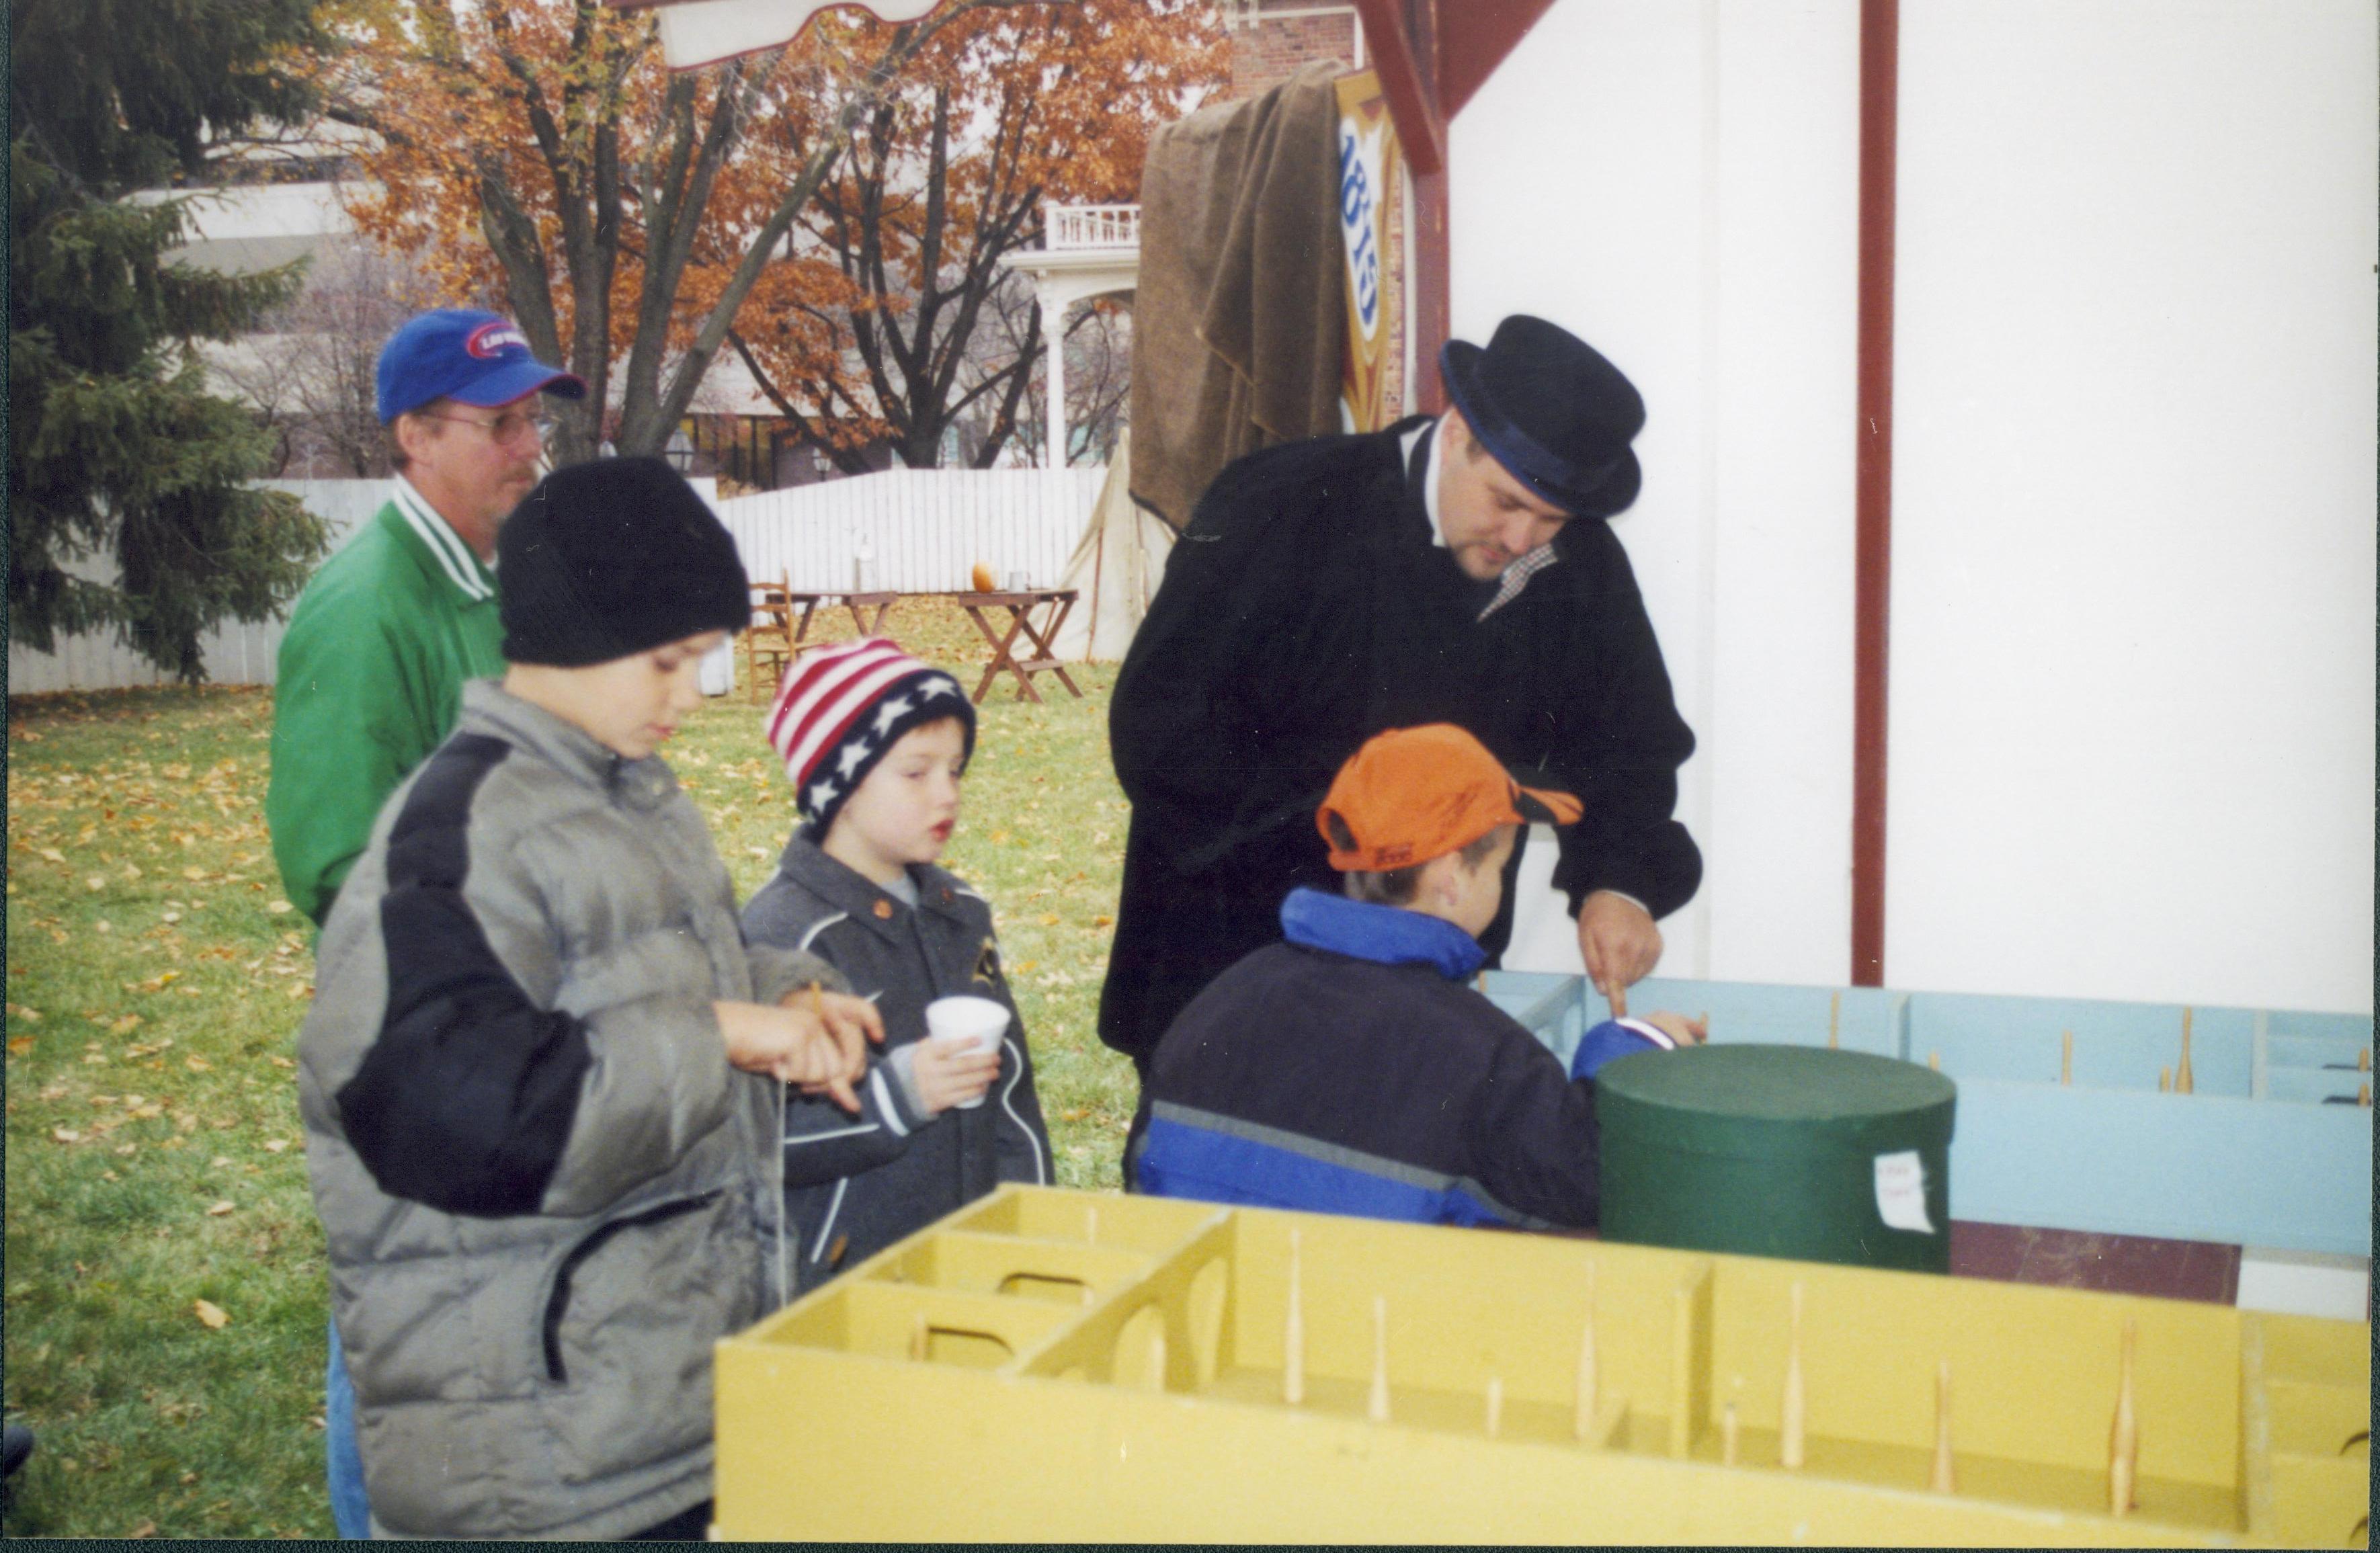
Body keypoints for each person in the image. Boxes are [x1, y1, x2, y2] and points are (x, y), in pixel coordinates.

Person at [294, 458, 884, 1540]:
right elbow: (450, 1108)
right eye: (665, 660)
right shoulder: (458, 837)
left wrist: (790, 993)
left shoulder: (624, 793)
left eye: (700, 661)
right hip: (536, 1452)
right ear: (566, 633)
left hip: (642, 1401)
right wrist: (719, 1033)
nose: (686, 693)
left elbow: (648, 978)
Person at [1101, 314, 1702, 1083]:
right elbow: (1158, 730)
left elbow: (1631, 743)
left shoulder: (1574, 564)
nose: (1521, 540)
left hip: (1427, 986)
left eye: (1549, 519)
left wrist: (1617, 883)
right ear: (1454, 435)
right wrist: (1353, 848)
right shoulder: (1280, 504)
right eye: (1505, 502)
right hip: (1231, 965)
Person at [264, 306, 583, 1538]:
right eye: (498, 424)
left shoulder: (494, 577)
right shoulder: (363, 609)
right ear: (414, 436)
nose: (526, 447)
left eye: (530, 420)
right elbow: (339, 856)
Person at [1128, 724, 1702, 1227]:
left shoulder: (1222, 1001)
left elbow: (1142, 1175)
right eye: (1499, 867)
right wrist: (1633, 1047)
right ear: (1451, 878)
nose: (1499, 886)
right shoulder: (1483, 1056)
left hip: (1215, 1329)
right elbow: (1594, 1182)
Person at [743, 637, 1053, 1294]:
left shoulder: (960, 912)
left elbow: (1012, 1091)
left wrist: (1034, 1222)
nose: (946, 794)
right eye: (915, 772)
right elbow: (756, 1143)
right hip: (840, 1291)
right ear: (840, 787)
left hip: (972, 1268)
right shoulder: (782, 940)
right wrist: (895, 1097)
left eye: (956, 770)